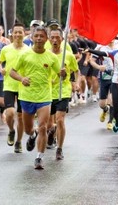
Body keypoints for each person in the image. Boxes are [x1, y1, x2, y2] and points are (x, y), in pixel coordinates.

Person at [10, 26, 62, 170]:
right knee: (28, 129)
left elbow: (60, 74)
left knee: (43, 126)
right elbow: (12, 72)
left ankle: (39, 157)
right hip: (26, 96)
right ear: (32, 38)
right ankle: (32, 135)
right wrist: (21, 79)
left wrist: (62, 73)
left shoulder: (51, 57)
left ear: (47, 39)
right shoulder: (25, 55)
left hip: (45, 97)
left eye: (42, 36)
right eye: (36, 36)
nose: (39, 38)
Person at [0, 23, 30, 153]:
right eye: (15, 32)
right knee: (10, 113)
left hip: (23, 86)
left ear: (24, 33)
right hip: (9, 85)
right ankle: (11, 130)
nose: (17, 35)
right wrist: (1, 70)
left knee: (21, 117)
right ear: (12, 34)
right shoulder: (6, 49)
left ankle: (19, 142)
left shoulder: (28, 50)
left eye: (20, 32)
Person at [47, 29, 78, 160]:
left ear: (62, 39)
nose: (55, 40)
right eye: (52, 38)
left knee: (60, 119)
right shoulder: (46, 55)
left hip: (63, 90)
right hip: (48, 91)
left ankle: (59, 148)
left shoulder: (68, 55)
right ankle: (52, 131)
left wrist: (74, 82)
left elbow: (76, 71)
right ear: (49, 40)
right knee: (49, 124)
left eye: (57, 38)